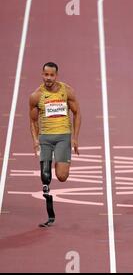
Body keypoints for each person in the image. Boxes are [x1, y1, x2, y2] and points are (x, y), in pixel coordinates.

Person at [29, 62, 81, 227]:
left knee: (62, 177)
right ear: (42, 74)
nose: (48, 78)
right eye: (46, 75)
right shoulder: (36, 96)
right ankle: (49, 208)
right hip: (45, 138)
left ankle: (60, 160)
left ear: (56, 75)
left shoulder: (67, 91)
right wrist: (35, 140)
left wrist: (75, 138)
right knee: (45, 177)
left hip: (63, 137)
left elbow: (77, 113)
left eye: (52, 75)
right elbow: (33, 120)